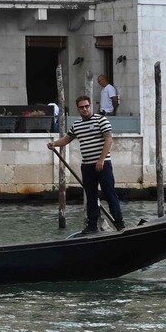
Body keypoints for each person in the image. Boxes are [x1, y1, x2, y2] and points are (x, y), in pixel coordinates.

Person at [47, 95, 125, 234]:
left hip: (103, 164)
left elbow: (108, 140)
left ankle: (120, 223)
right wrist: (54, 143)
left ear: (90, 106)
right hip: (87, 166)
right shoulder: (76, 125)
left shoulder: (101, 120)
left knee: (109, 193)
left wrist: (101, 160)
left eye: (86, 106)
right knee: (91, 196)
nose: (84, 109)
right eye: (81, 107)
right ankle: (92, 225)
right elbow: (67, 139)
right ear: (78, 109)